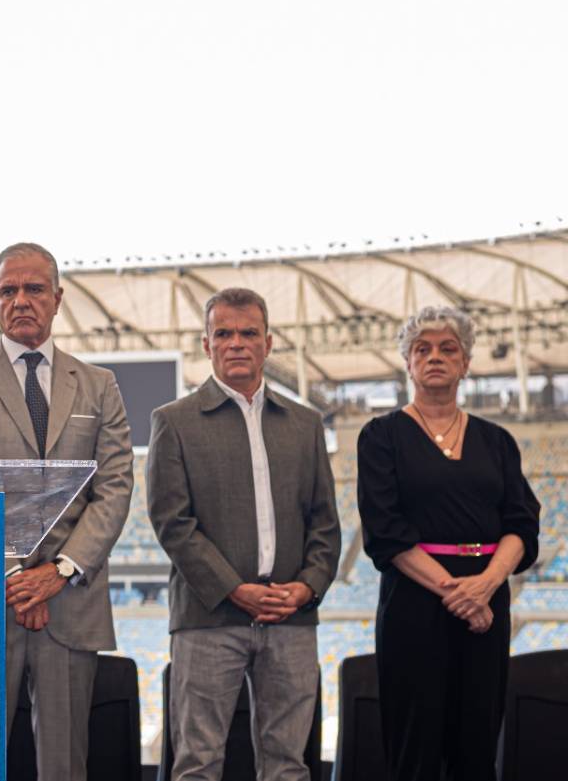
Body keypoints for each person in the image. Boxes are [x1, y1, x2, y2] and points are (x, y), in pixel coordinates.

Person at [0, 242, 133, 781]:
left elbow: (114, 487)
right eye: (8, 291)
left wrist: (59, 572)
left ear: (58, 298)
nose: (21, 300)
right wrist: (17, 577)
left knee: (65, 767)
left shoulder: (99, 385)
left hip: (71, 602)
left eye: (34, 289)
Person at [146, 287, 340, 781]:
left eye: (248, 333)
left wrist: (306, 587)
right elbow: (173, 522)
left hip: (291, 619)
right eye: (224, 333)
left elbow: (324, 521)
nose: (237, 343)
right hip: (208, 620)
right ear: (206, 344)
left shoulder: (305, 424)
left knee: (288, 765)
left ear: (268, 343)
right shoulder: (174, 422)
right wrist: (235, 589)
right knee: (198, 764)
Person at [357, 306, 539, 781]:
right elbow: (385, 530)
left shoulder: (497, 441)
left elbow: (522, 523)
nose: (434, 356)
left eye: (447, 348)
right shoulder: (381, 436)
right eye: (422, 349)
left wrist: (485, 587)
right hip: (414, 605)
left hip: (488, 602)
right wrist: (458, 593)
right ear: (408, 363)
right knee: (414, 748)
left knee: (477, 747)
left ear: (465, 363)